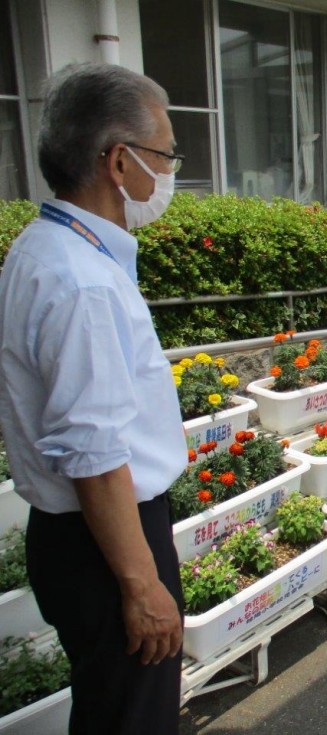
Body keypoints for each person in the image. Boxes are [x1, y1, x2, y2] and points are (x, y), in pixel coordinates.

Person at [0, 63, 186, 733]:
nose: (168, 171)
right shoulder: (84, 283)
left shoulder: (40, 248)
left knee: (110, 707)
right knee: (133, 715)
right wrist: (141, 585)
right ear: (118, 160)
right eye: (165, 154)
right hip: (108, 544)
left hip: (75, 537)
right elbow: (95, 452)